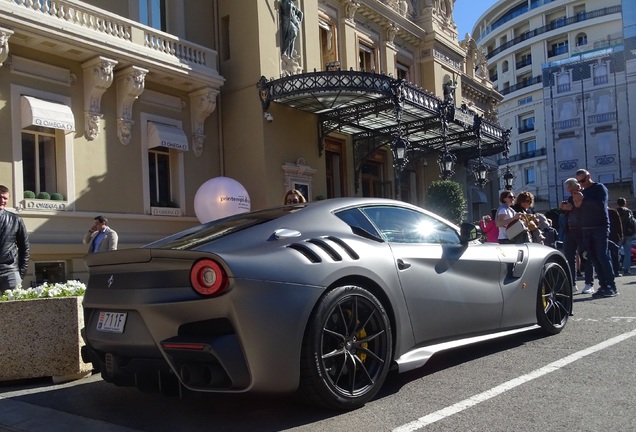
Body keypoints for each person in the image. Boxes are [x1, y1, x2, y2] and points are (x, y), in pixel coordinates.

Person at [573, 169, 617, 297]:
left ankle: (611, 286)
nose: (582, 183)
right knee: (593, 258)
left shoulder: (599, 188)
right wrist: (577, 204)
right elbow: (579, 213)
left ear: (588, 176)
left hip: (600, 226)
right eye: (579, 181)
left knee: (602, 255)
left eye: (583, 180)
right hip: (587, 228)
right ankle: (603, 285)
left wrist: (584, 199)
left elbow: (601, 205)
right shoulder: (583, 192)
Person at [0, 185, 30, 292]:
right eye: (0, 197)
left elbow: (24, 248)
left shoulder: (15, 220)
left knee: (14, 307)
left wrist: (20, 274)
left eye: (5, 198)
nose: (2, 200)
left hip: (10, 272)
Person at [560, 178, 584, 292]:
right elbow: (569, 213)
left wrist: (572, 208)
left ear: (578, 187)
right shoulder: (570, 198)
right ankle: (572, 284)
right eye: (568, 191)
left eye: (571, 190)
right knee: (569, 257)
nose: (570, 193)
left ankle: (589, 282)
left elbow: (587, 211)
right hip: (569, 230)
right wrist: (564, 208)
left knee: (586, 255)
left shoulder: (584, 195)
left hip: (582, 230)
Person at [616, 197, 634, 275]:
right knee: (627, 252)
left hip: (619, 234)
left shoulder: (616, 211)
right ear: (625, 203)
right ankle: (626, 269)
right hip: (629, 234)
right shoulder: (629, 211)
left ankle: (616, 267)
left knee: (615, 251)